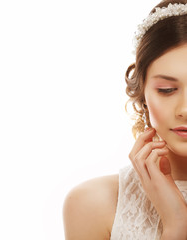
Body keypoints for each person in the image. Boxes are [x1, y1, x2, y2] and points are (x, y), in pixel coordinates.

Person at [63, 0, 187, 239]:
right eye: (167, 89)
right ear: (142, 96)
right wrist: (177, 225)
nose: (185, 109)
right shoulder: (92, 205)